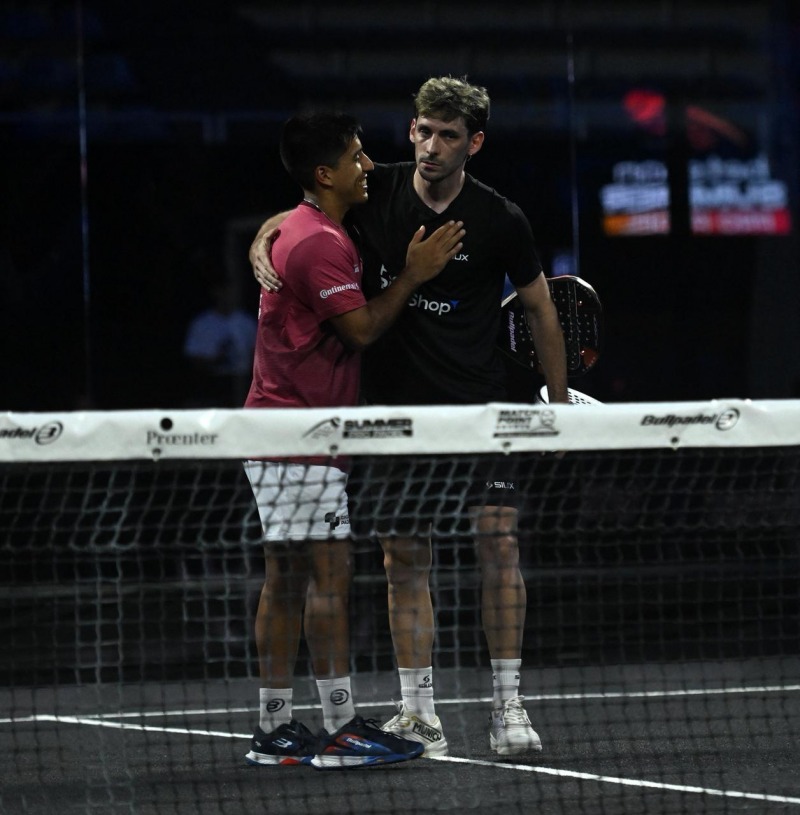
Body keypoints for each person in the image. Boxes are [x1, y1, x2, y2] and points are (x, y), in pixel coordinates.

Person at [250, 77, 568, 758]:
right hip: (395, 417)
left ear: (473, 143)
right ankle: (418, 712)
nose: (429, 146)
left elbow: (541, 307)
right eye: (422, 130)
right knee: (403, 559)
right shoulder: (377, 192)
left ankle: (508, 705)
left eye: (447, 135)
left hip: (483, 410)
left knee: (498, 543)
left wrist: (561, 404)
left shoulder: (501, 218)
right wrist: (264, 233)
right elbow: (308, 209)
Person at [243, 110, 465, 769]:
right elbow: (363, 329)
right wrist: (415, 274)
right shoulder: (318, 243)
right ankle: (339, 728)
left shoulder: (311, 226)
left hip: (286, 433)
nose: (368, 165)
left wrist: (270, 224)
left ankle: (274, 728)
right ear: (325, 173)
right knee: (326, 578)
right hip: (298, 437)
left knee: (287, 579)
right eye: (357, 157)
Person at [183, 281, 257, 407]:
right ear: (216, 293)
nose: (228, 295)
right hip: (213, 384)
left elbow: (256, 354)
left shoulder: (247, 322)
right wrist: (214, 360)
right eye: (224, 291)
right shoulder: (202, 323)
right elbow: (193, 356)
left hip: (244, 383)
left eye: (231, 291)